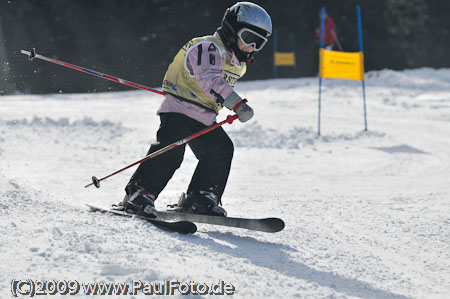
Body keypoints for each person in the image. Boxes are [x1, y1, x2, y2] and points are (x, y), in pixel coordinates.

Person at [118, 2, 272, 218]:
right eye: (249, 38)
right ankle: (139, 193)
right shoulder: (208, 47)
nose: (252, 47)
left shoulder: (236, 62)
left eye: (259, 43)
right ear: (231, 30)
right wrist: (236, 103)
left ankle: (202, 197)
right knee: (171, 151)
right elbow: (210, 80)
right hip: (179, 110)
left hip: (204, 117)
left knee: (220, 150)